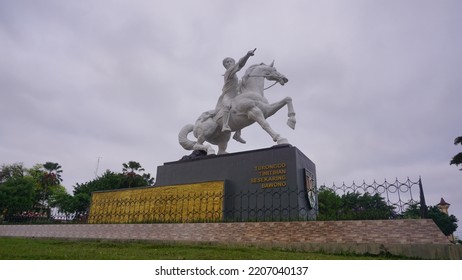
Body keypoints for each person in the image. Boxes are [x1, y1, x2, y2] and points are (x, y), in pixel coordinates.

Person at [216, 48, 256, 143]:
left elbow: (240, 86)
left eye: (230, 61)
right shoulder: (228, 72)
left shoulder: (235, 76)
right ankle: (225, 125)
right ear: (225, 66)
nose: (229, 63)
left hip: (235, 96)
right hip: (228, 96)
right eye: (226, 62)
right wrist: (247, 55)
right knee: (228, 106)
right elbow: (240, 65)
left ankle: (237, 135)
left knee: (242, 107)